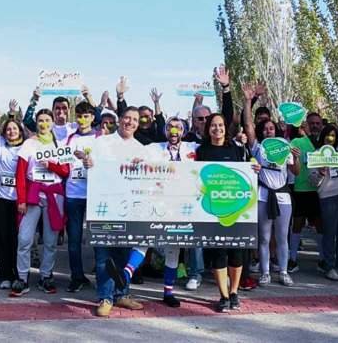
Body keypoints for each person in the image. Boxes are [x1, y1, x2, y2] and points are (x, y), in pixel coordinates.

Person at [105, 116, 196, 307]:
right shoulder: (154, 148)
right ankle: (124, 276)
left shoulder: (192, 148)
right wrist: (136, 160)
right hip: (157, 202)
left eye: (178, 128)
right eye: (170, 127)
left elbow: (215, 154)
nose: (174, 130)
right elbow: (134, 154)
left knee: (173, 248)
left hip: (181, 205)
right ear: (165, 130)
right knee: (144, 240)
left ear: (184, 131)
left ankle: (168, 293)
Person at [197, 111, 260, 313]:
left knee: (237, 253)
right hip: (213, 211)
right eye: (213, 125)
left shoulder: (236, 147)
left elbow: (248, 169)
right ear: (208, 129)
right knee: (218, 253)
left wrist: (254, 168)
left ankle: (234, 292)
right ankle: (223, 296)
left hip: (237, 209)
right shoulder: (201, 151)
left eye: (221, 125)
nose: (218, 129)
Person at [89, 107, 148, 317]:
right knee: (104, 253)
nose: (130, 122)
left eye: (134, 119)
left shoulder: (141, 149)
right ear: (119, 120)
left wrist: (142, 168)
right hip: (103, 205)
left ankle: (121, 294)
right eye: (126, 118)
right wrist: (88, 163)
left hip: (129, 206)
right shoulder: (101, 142)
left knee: (124, 252)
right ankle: (105, 297)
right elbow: (90, 166)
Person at [243, 84, 299, 287]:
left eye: (271, 128)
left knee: (282, 237)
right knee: (264, 238)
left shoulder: (284, 147)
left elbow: (296, 172)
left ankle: (283, 271)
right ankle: (265, 272)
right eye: (265, 128)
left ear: (275, 130)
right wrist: (248, 100)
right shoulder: (258, 147)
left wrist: (296, 158)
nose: (268, 130)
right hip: (263, 195)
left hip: (283, 197)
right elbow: (248, 126)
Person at [12, 109, 70, 296]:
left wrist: (50, 165)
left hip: (54, 194)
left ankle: (46, 275)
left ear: (53, 123)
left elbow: (65, 171)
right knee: (24, 238)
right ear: (36, 123)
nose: (44, 124)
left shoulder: (60, 144)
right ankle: (22, 277)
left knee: (51, 241)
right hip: (33, 195)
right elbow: (20, 174)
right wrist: (21, 199)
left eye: (47, 120)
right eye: (40, 120)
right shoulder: (28, 144)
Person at [0, 100, 26, 290]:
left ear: (20, 131)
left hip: (20, 201)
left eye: (14, 128)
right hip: (1, 199)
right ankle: (4, 274)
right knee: (2, 238)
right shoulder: (0, 145)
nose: (11, 131)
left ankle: (19, 274)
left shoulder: (27, 147)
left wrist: (14, 113)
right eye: (8, 129)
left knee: (18, 239)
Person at [64, 101, 97, 293]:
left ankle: (102, 275)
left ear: (93, 117)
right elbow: (62, 161)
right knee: (74, 239)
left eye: (86, 116)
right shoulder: (70, 138)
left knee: (98, 239)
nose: (82, 119)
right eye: (79, 115)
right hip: (73, 193)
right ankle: (76, 276)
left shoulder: (100, 137)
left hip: (94, 194)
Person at [313, 118, 338, 281]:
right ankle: (328, 266)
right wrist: (320, 175)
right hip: (327, 197)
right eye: (328, 135)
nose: (331, 138)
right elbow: (311, 180)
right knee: (330, 233)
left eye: (333, 135)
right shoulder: (316, 155)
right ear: (323, 137)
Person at [288, 111, 324, 273]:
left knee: (319, 226)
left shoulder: (325, 144)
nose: (315, 126)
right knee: (297, 225)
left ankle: (323, 259)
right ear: (306, 125)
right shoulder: (297, 142)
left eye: (318, 123)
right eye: (312, 123)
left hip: (320, 191)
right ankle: (292, 259)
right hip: (301, 189)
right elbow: (289, 163)